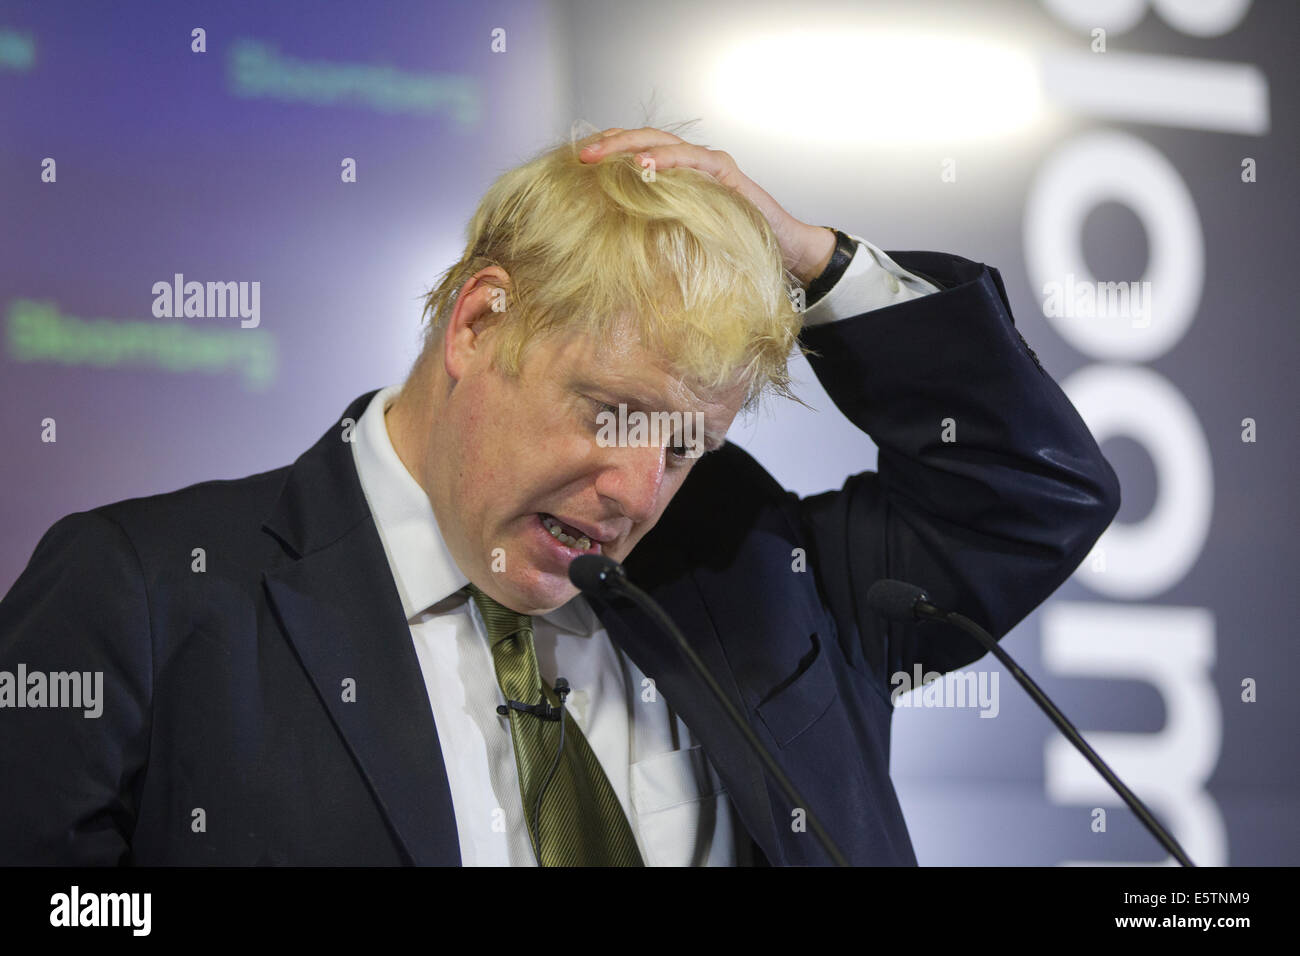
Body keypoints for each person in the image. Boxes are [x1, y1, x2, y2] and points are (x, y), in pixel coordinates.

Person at [0, 125, 1120, 866]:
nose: (637, 490)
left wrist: (817, 262)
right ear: (478, 321)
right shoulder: (145, 595)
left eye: (685, 445)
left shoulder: (759, 575)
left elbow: (1027, 491)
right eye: (612, 411)